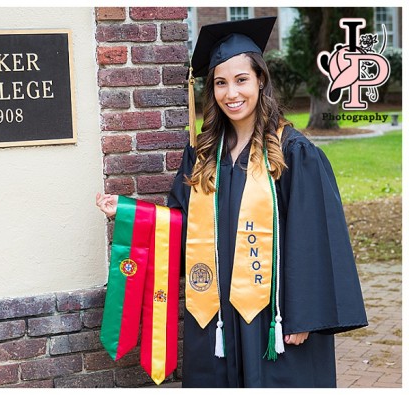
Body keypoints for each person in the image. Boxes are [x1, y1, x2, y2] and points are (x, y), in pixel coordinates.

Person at [95, 17, 367, 387]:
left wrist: (303, 317)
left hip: (274, 317)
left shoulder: (293, 152)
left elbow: (314, 238)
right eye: (220, 83)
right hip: (216, 314)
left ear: (260, 81)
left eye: (241, 80)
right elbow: (180, 225)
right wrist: (130, 214)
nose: (231, 93)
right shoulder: (203, 154)